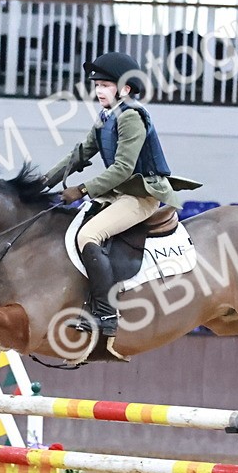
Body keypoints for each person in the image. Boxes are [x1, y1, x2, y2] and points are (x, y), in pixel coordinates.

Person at [45, 51, 197, 338]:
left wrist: (81, 190)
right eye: (97, 85)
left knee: (87, 236)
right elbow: (80, 154)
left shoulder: (131, 118)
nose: (99, 90)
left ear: (125, 89)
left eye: (105, 85)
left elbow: (123, 169)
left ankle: (105, 313)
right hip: (118, 194)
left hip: (140, 195)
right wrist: (43, 181)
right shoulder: (106, 117)